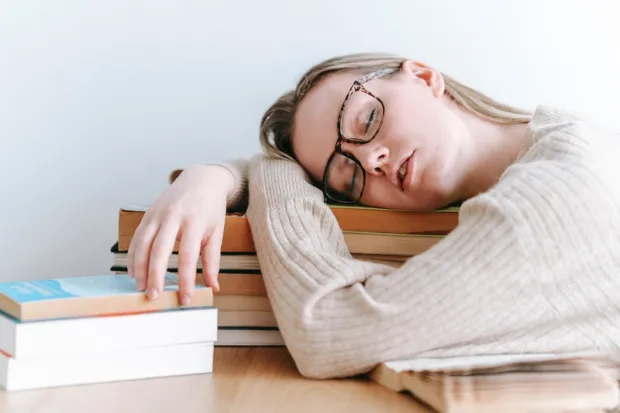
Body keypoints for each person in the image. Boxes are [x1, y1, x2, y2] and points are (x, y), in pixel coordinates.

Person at [127, 52, 620, 379]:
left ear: (424, 77)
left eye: (365, 119)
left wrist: (264, 169)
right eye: (347, 178)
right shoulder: (564, 139)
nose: (371, 162)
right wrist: (214, 176)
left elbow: (327, 328)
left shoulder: (552, 193)